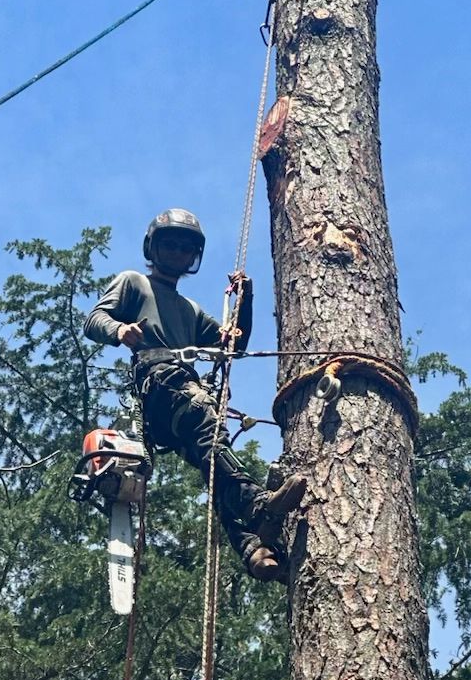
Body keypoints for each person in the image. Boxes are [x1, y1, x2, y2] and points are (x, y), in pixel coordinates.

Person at [84, 208, 305, 581]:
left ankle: (255, 549)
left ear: (193, 257)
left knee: (211, 461)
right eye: (169, 244)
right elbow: (95, 320)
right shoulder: (134, 282)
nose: (177, 253)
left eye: (185, 249)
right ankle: (256, 506)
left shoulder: (191, 310)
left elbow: (233, 344)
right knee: (208, 429)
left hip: (176, 392)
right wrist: (120, 331)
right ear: (152, 248)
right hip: (159, 379)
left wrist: (245, 299)